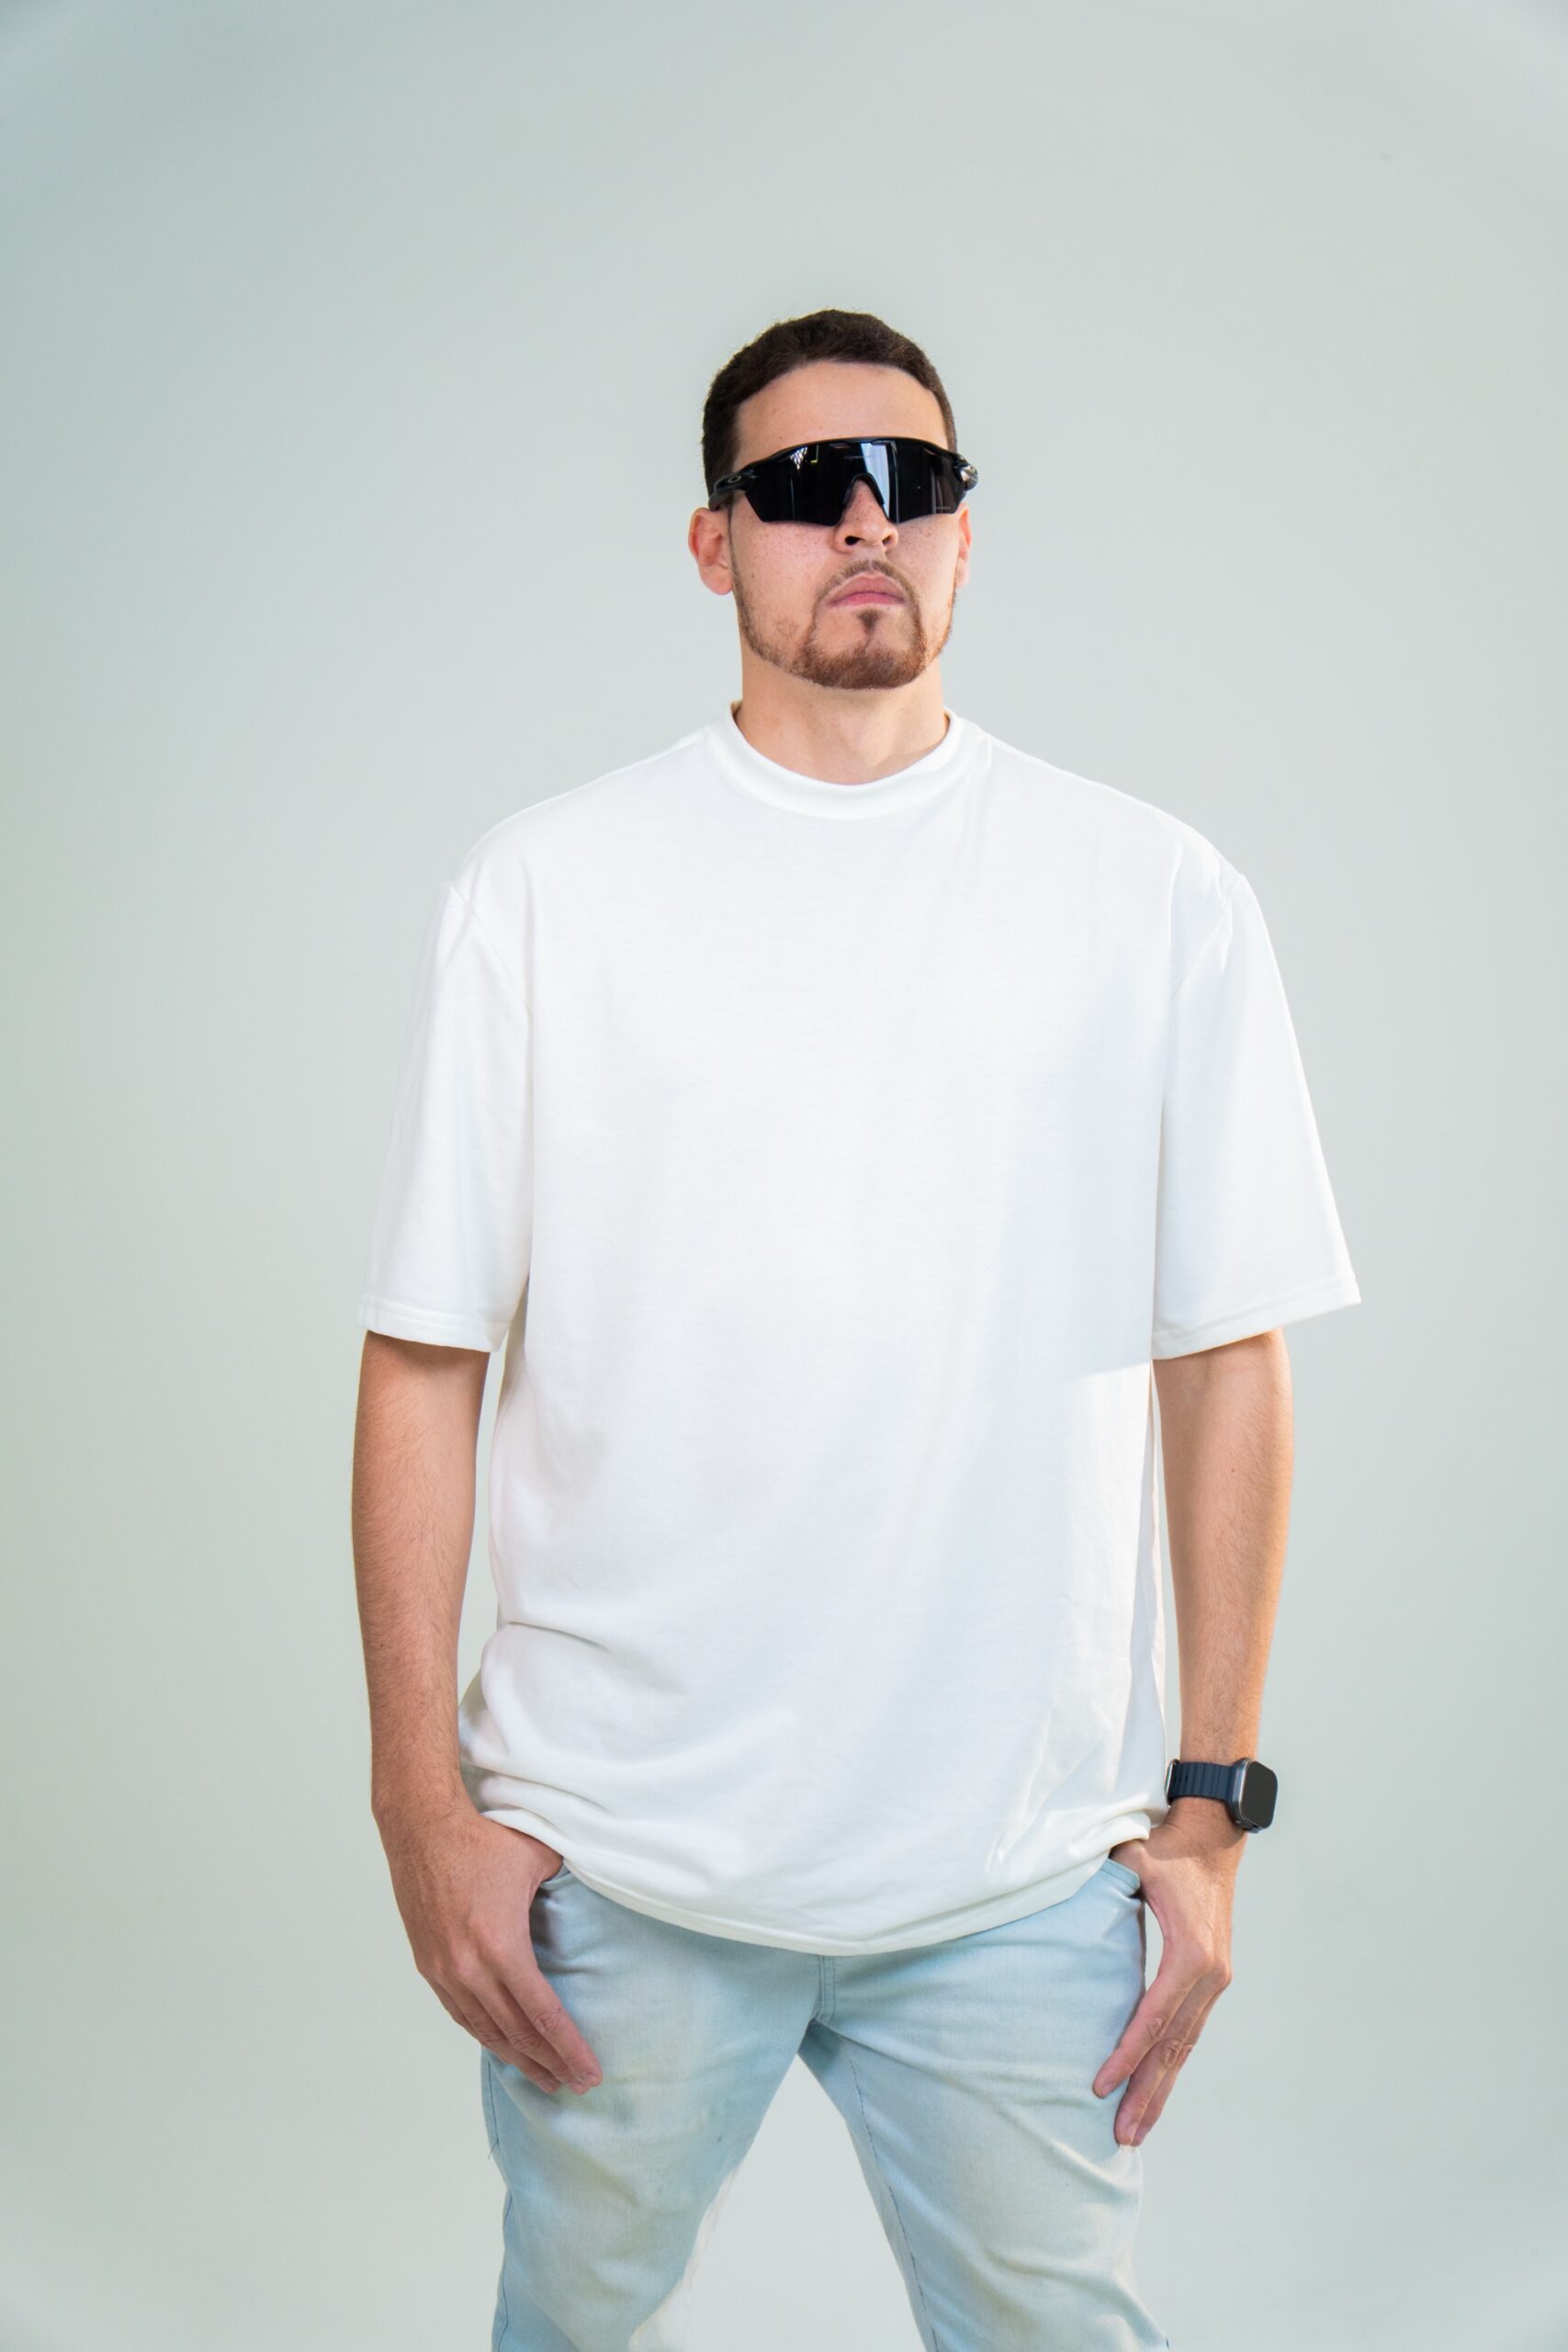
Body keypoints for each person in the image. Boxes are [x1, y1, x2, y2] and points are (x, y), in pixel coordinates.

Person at [350, 306, 1360, 2350]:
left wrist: (1208, 1810)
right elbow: (424, 1361)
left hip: (1013, 1874)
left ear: (969, 531)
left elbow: (1227, 1359)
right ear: (714, 541)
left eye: (916, 480)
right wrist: (418, 1809)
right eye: (808, 483)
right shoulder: (550, 890)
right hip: (621, 1860)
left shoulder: (1152, 894)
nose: (867, 520)